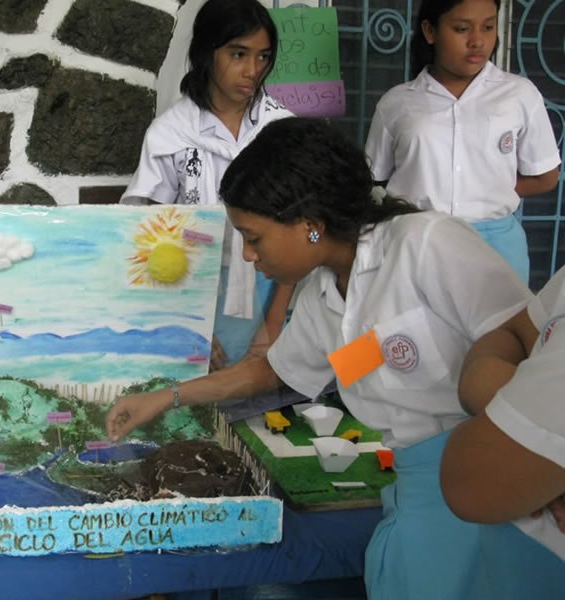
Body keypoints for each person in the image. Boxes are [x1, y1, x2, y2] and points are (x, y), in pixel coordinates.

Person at [106, 117, 537, 599]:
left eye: (254, 238)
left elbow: (527, 341)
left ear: (310, 227)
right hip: (416, 491)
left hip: (493, 479)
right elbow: (272, 372)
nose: (249, 256)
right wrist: (167, 397)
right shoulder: (321, 296)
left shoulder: (424, 244)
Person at [122, 0, 295, 370]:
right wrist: (188, 324)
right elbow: (148, 236)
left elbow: (304, 231)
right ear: (206, 52)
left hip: (274, 289)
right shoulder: (171, 135)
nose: (252, 70)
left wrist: (274, 322)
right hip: (192, 293)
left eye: (263, 56)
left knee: (262, 402)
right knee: (201, 398)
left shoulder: (283, 131)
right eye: (238, 54)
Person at [364, 0, 560, 283]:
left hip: (496, 248)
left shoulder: (519, 95)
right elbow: (375, 181)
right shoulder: (397, 103)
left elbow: (545, 176)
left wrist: (483, 188)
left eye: (489, 27)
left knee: (500, 325)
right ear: (430, 32)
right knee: (410, 325)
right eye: (461, 28)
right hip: (416, 243)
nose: (478, 41)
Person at [440, 266, 565, 597]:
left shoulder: (423, 240)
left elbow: (471, 481)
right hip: (511, 552)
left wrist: (523, 421)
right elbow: (509, 334)